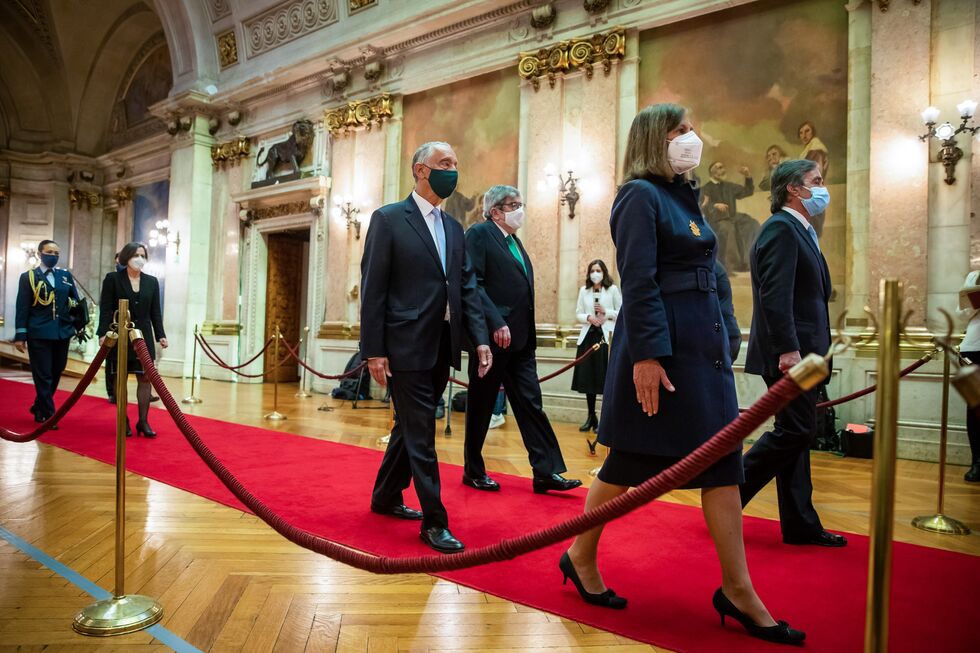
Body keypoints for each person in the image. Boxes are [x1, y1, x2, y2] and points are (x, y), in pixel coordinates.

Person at [561, 104, 803, 646]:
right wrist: (648, 356)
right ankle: (580, 553)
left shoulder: (684, 195)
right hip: (665, 354)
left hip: (702, 350)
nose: (691, 138)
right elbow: (638, 281)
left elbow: (713, 272)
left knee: (723, 463)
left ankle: (737, 588)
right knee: (630, 461)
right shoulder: (639, 195)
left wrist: (728, 327)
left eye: (691, 129)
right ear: (655, 139)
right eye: (679, 131)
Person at [361, 141, 492, 554]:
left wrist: (480, 338)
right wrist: (373, 349)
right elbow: (373, 288)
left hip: (442, 345)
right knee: (422, 432)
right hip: (403, 345)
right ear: (421, 170)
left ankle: (385, 495)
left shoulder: (454, 228)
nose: (453, 170)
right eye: (444, 163)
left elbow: (467, 287)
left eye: (455, 163)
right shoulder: (388, 219)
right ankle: (435, 522)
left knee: (409, 426)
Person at [740, 159, 846, 549]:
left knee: (798, 437)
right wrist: (788, 350)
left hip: (805, 354)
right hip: (791, 355)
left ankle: (800, 523)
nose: (822, 188)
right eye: (816, 181)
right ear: (794, 189)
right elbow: (775, 295)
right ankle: (728, 490)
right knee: (797, 431)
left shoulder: (800, 230)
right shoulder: (781, 229)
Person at [461, 184, 580, 494]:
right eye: (513, 205)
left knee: (531, 403)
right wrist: (496, 322)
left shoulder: (514, 241)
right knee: (482, 405)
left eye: (520, 204)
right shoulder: (479, 234)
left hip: (521, 340)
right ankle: (473, 470)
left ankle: (546, 472)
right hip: (492, 339)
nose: (519, 210)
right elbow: (473, 284)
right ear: (495, 211)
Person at [96, 242, 168, 438]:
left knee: (145, 378)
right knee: (120, 379)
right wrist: (103, 333)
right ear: (126, 257)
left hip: (143, 336)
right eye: (136, 255)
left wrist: (160, 334)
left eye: (143, 255)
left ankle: (143, 422)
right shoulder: (113, 279)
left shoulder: (151, 282)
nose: (140, 259)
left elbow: (155, 312)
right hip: (120, 334)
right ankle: (124, 421)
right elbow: (106, 309)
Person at [13, 240, 84, 429]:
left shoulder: (65, 276)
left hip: (62, 332)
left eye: (56, 253)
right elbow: (22, 307)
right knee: (43, 374)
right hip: (38, 332)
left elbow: (75, 302)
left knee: (57, 369)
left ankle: (39, 407)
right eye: (49, 252)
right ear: (40, 253)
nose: (53, 256)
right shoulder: (29, 277)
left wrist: (78, 324)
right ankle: (49, 414)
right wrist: (20, 335)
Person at [571, 259, 621, 432]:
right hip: (588, 336)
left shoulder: (612, 289)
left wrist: (606, 313)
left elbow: (621, 311)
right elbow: (578, 313)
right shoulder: (584, 290)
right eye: (592, 270)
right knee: (588, 379)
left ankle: (606, 419)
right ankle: (591, 416)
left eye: (598, 270)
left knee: (604, 378)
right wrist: (588, 317)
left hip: (606, 338)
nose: (595, 274)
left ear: (604, 272)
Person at [701, 161, 759, 272]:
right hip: (716, 220)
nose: (723, 170)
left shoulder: (729, 186)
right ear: (712, 172)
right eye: (719, 168)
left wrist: (748, 176)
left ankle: (747, 262)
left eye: (723, 167)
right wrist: (715, 205)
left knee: (752, 223)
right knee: (727, 228)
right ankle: (728, 265)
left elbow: (748, 191)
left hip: (733, 217)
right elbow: (702, 204)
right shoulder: (705, 188)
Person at [958, 270, 980, 482]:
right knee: (975, 408)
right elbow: (961, 313)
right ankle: (977, 462)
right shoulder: (975, 276)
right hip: (975, 348)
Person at [797, 121, 829, 236]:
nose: (804, 135)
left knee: (810, 233)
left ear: (813, 132)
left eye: (807, 131)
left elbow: (812, 174)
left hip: (812, 195)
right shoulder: (809, 150)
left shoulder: (816, 150)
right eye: (801, 133)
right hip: (809, 195)